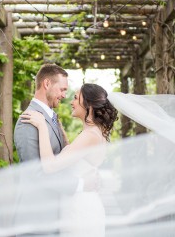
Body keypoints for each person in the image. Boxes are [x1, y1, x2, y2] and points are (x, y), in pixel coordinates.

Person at [20, 83, 118, 237]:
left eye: (76, 98)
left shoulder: (90, 135)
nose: (71, 101)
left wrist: (42, 127)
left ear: (89, 105)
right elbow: (73, 153)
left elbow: (50, 166)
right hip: (80, 203)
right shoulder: (94, 132)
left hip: (80, 209)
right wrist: (59, 128)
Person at [14, 64, 99, 236]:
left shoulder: (49, 118)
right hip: (37, 220)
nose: (64, 95)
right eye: (62, 89)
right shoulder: (28, 121)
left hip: (58, 216)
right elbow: (36, 173)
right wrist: (81, 184)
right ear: (46, 84)